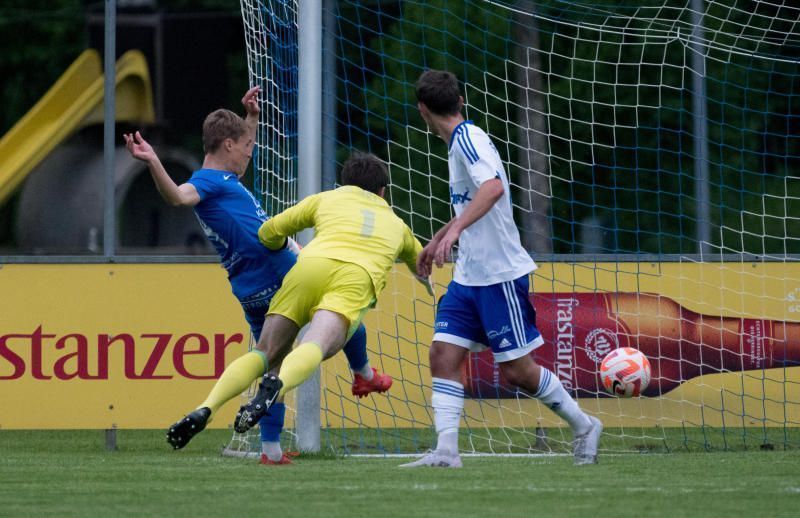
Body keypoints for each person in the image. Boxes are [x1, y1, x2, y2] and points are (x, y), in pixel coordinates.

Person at [123, 87, 392, 464]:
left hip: (248, 286)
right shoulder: (207, 182)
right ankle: (364, 373)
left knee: (271, 366)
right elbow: (178, 198)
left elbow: (233, 166)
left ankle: (270, 450)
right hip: (280, 269)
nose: (251, 149)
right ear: (228, 145)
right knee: (345, 311)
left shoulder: (224, 180)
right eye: (245, 144)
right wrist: (153, 161)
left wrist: (251, 118)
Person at [401, 70, 602, 468]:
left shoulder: (468, 139)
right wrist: (440, 237)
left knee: (516, 371)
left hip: (498, 277)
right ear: (460, 100)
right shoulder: (459, 143)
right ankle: (446, 452)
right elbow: (471, 202)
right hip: (468, 277)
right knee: (443, 353)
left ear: (422, 109)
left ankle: (584, 425)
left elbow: (492, 188)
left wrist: (454, 229)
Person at [165, 151, 429, 447]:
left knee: (265, 352)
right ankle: (277, 386)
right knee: (313, 345)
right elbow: (422, 267)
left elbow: (268, 232)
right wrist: (431, 288)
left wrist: (278, 243)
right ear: (383, 192)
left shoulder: (325, 199)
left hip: (308, 268)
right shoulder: (399, 226)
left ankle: (208, 407)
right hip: (353, 278)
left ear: (344, 183)